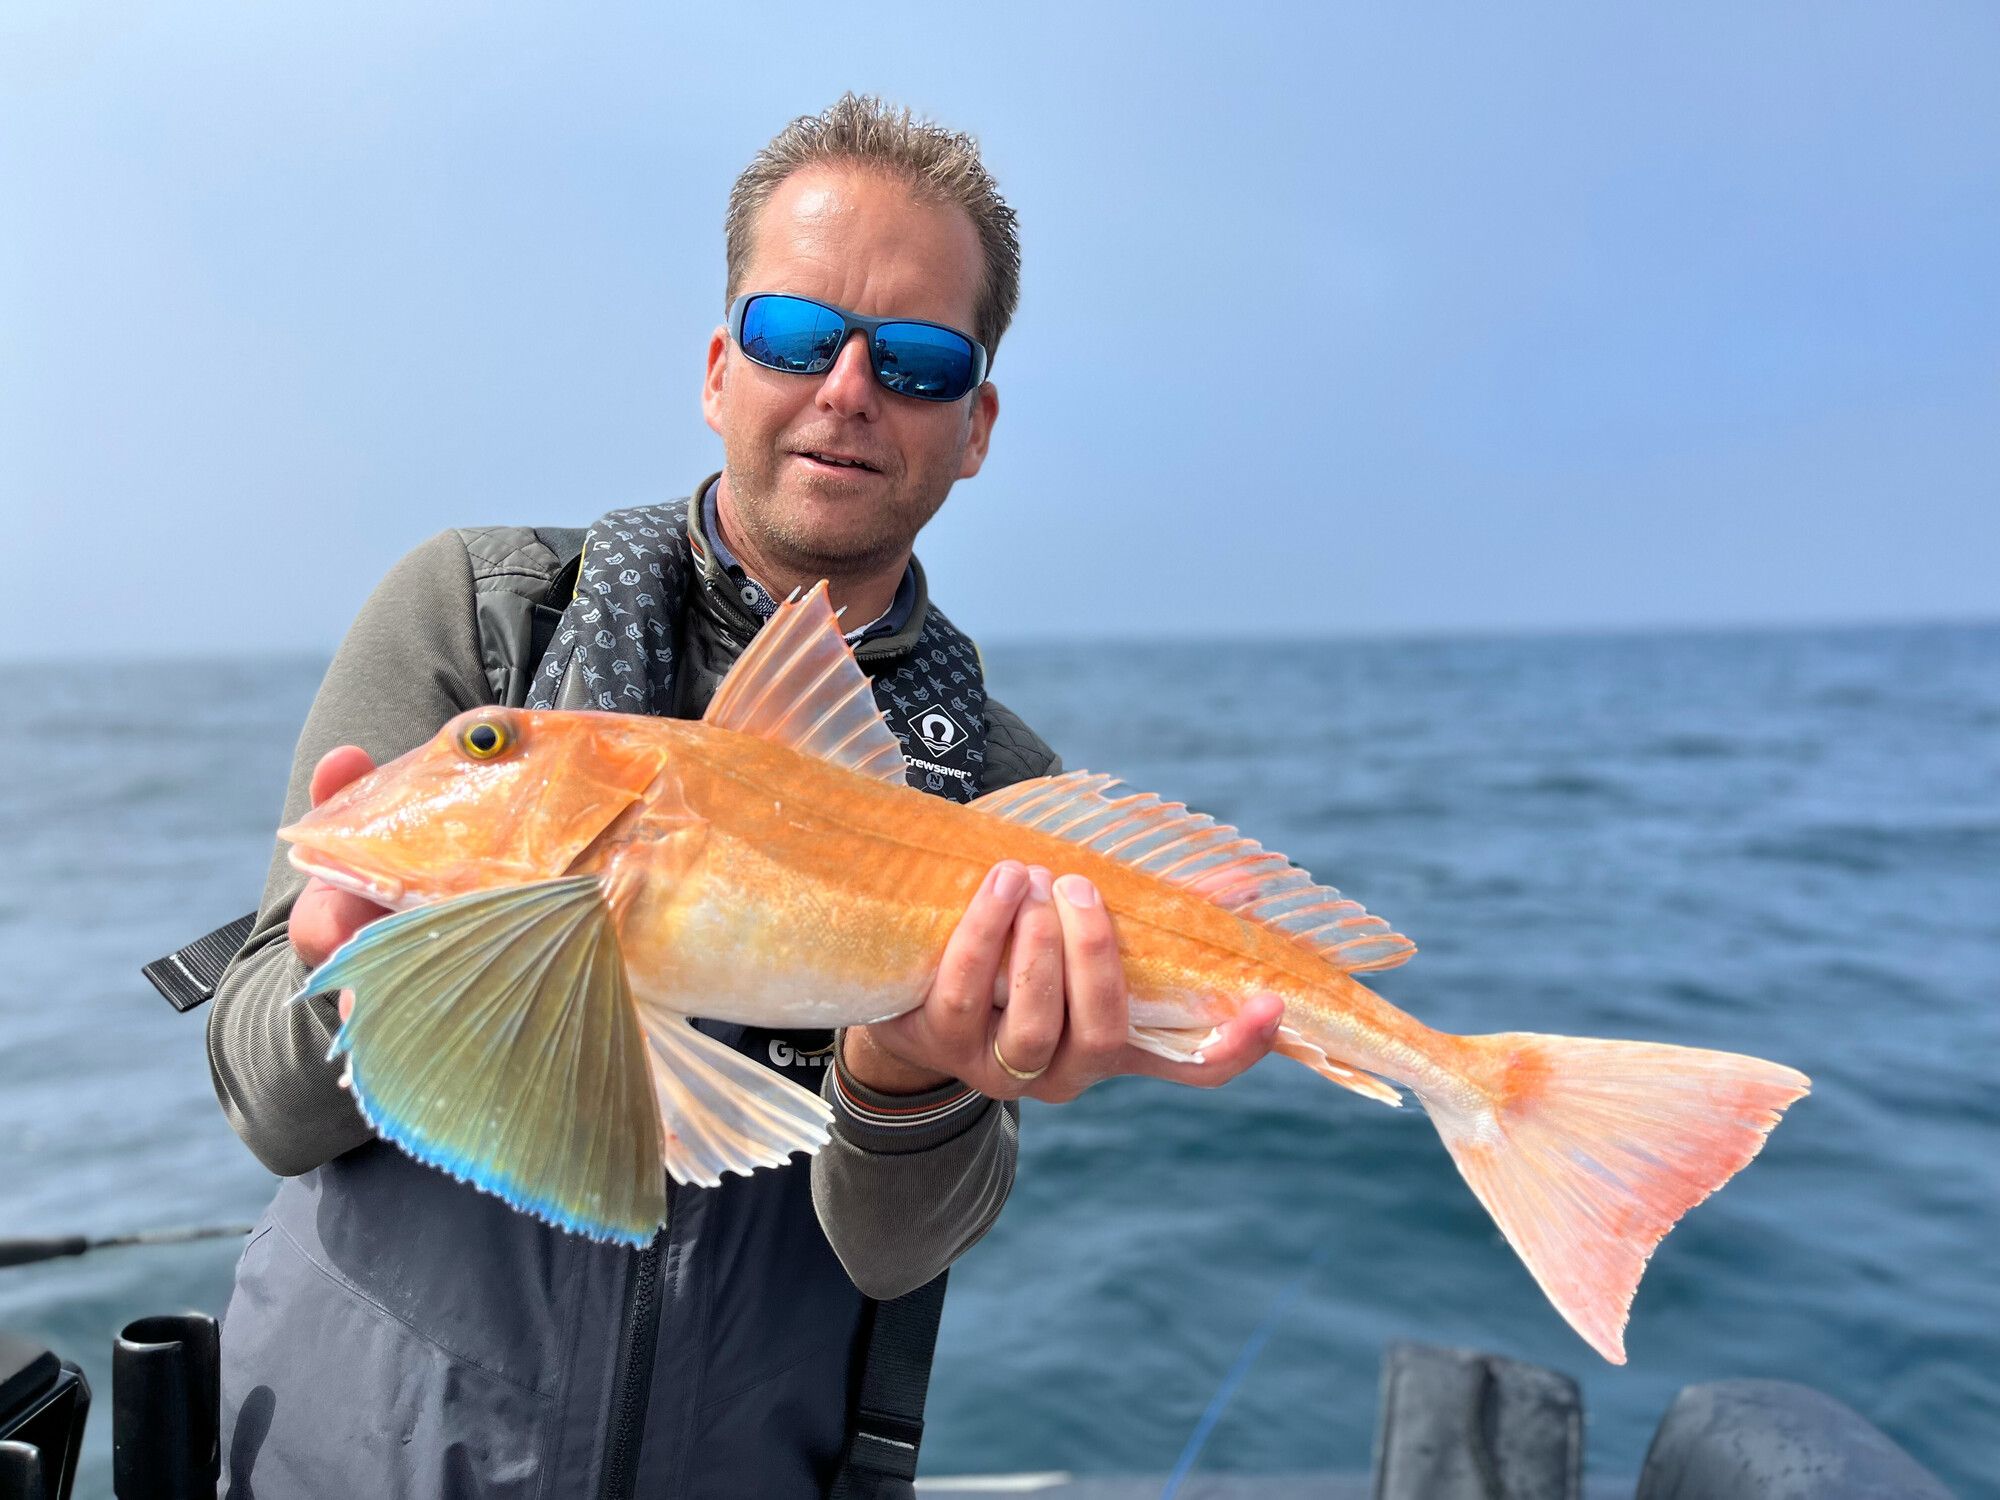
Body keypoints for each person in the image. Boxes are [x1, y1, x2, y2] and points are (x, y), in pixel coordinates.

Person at [207, 94, 1284, 1498]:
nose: (846, 388)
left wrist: (904, 1073)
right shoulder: (486, 622)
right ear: (720, 369)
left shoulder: (992, 792)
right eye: (793, 337)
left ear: (976, 426)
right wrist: (363, 989)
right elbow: (268, 1109)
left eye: (914, 359)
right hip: (361, 1462)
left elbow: (896, 1256)